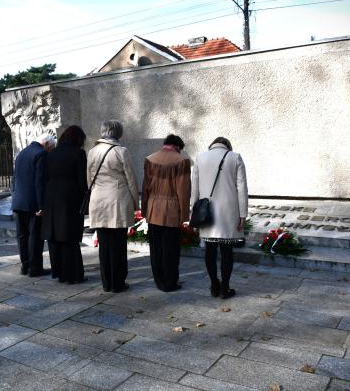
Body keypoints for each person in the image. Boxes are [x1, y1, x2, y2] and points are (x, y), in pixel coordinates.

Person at [191, 137, 248, 299]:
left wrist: (193, 211)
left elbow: (194, 187)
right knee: (227, 251)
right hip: (229, 212)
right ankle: (225, 287)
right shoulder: (235, 157)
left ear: (212, 145)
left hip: (206, 212)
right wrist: (243, 214)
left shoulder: (200, 158)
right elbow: (242, 188)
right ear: (227, 146)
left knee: (209, 251)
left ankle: (214, 285)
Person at [87, 120, 138, 293]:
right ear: (118, 133)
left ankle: (106, 282)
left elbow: (89, 179)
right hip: (117, 200)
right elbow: (131, 179)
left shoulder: (92, 151)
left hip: (98, 200)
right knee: (118, 244)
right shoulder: (121, 151)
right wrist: (135, 202)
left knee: (104, 244)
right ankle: (118, 283)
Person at [141, 134, 191, 292]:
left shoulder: (150, 159)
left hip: (153, 209)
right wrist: (184, 216)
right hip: (171, 211)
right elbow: (183, 191)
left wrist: (144, 210)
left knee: (156, 249)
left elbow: (145, 187)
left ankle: (159, 280)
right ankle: (170, 283)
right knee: (171, 249)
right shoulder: (181, 161)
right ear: (177, 146)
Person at [42, 126, 88, 284]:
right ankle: (73, 274)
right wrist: (85, 200)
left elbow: (46, 176)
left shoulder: (51, 153)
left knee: (54, 236)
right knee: (70, 236)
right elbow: (82, 181)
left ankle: (60, 272)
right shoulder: (78, 153)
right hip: (70, 198)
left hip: (51, 197)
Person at [11, 133, 55, 277]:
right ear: (46, 144)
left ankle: (25, 266)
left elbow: (15, 178)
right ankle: (35, 268)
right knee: (35, 237)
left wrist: (14, 198)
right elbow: (40, 181)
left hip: (18, 201)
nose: (50, 152)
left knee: (22, 236)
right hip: (32, 203)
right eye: (51, 149)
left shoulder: (22, 153)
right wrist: (41, 205)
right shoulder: (41, 154)